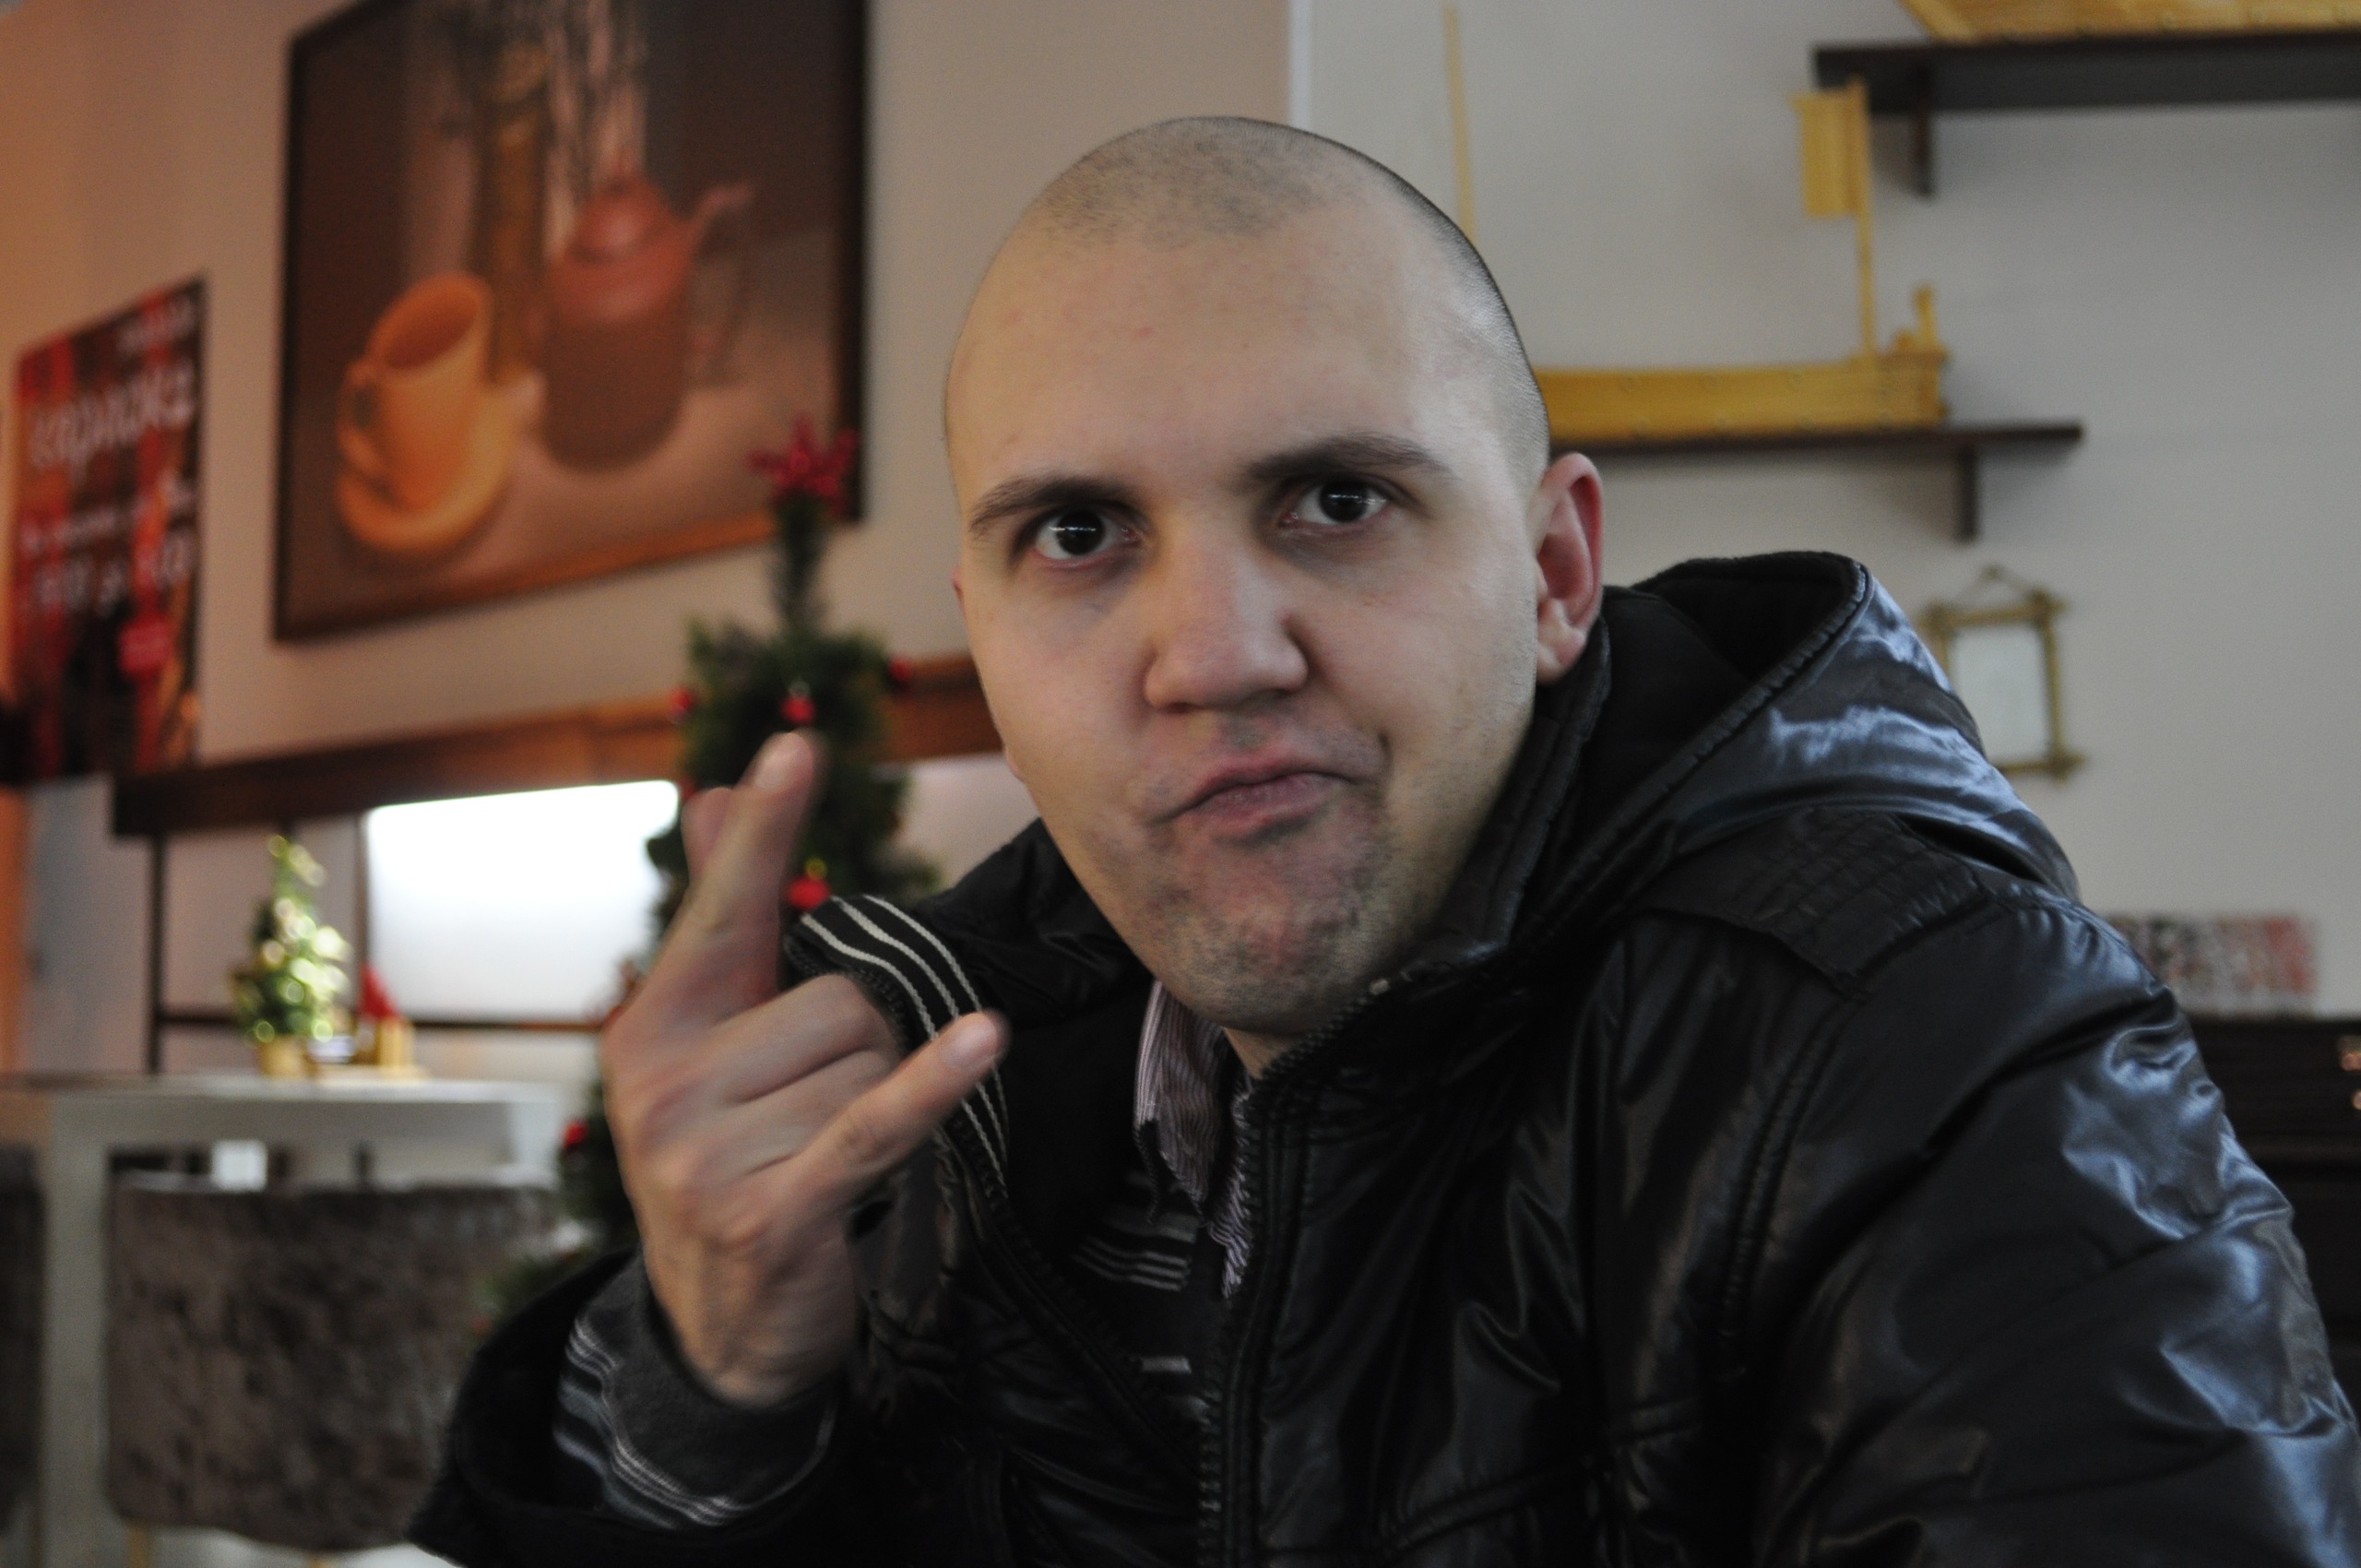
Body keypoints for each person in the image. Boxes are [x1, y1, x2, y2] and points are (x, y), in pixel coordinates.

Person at [413, 118, 2361, 1567]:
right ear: (981, 630)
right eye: (1079, 537)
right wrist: (716, 1402)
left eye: (1336, 500)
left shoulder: (1931, 1050)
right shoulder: (921, 1105)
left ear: (1554, 572)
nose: (1211, 655)